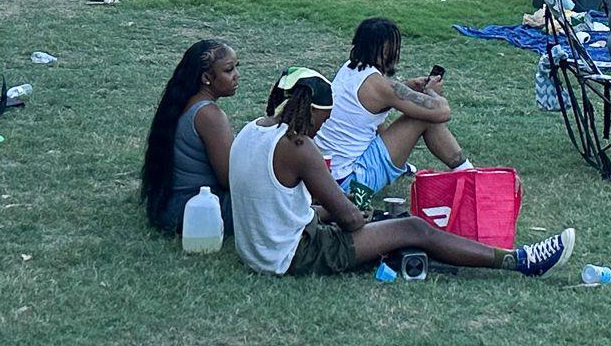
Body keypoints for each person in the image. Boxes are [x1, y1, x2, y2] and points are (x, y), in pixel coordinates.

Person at [228, 67, 574, 278]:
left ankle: (445, 250)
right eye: (323, 120)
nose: (323, 128)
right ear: (311, 111)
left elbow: (276, 203)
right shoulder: (299, 146)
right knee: (414, 227)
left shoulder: (251, 130)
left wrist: (325, 212)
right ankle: (521, 261)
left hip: (258, 251)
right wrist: (356, 214)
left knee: (395, 225)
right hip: (294, 256)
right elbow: (350, 221)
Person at [317, 18, 474, 198]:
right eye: (395, 48)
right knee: (422, 117)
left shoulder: (350, 69)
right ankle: (469, 174)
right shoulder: (380, 87)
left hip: (328, 177)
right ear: (384, 51)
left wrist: (408, 86)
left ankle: (462, 172)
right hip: (352, 182)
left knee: (378, 125)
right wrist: (432, 91)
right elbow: (441, 111)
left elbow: (380, 97)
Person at [141, 39, 239, 235]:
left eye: (236, 67)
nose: (237, 75)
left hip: (172, 206)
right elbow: (229, 180)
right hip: (198, 210)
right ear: (206, 78)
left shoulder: (182, 102)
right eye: (229, 70)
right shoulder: (210, 115)